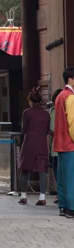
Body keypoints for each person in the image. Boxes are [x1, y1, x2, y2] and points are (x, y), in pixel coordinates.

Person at [17, 87, 51, 206]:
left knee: (24, 169)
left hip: (29, 144)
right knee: (42, 171)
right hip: (41, 144)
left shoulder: (27, 113)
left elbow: (24, 129)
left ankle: (23, 196)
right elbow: (47, 130)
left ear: (30, 101)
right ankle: (42, 197)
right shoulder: (46, 114)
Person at [52, 68, 74, 218]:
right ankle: (71, 208)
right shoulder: (71, 97)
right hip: (70, 143)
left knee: (62, 176)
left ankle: (63, 206)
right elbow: (72, 122)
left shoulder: (60, 96)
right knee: (71, 177)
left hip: (59, 143)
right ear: (71, 79)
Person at [50, 88, 62, 203]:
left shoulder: (54, 110)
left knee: (58, 173)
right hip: (69, 147)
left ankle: (60, 195)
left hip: (57, 147)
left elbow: (52, 128)